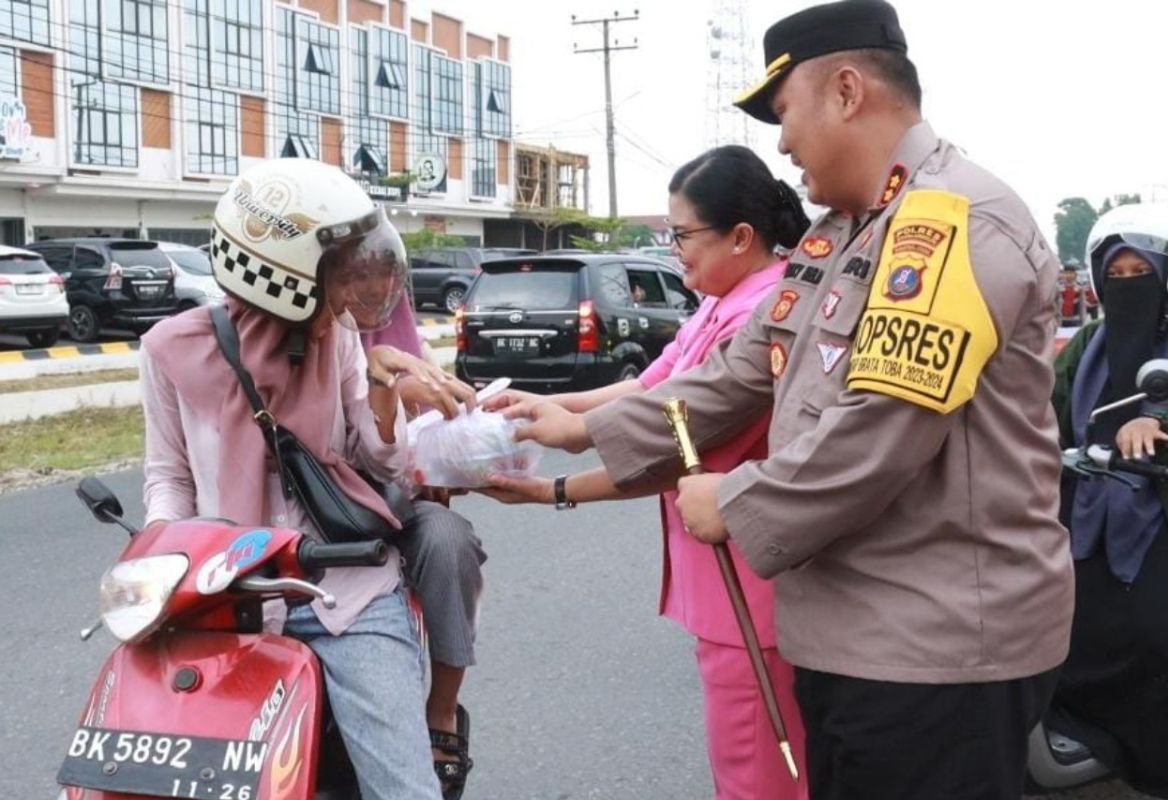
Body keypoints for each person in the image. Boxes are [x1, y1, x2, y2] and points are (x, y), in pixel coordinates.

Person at [499, 2, 1074, 798]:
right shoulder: (842, 234)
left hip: (936, 650)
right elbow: (742, 372)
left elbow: (882, 429)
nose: (782, 142)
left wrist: (735, 501)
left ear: (845, 91)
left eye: (784, 112)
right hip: (856, 635)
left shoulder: (945, 222)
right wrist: (583, 427)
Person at [139, 157, 477, 800]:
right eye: (339, 275)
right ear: (283, 275)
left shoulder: (341, 339)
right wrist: (164, 555)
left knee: (405, 788)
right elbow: (168, 478)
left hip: (342, 593)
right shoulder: (167, 349)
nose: (353, 292)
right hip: (223, 598)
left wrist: (383, 393)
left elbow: (378, 465)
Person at [484, 145, 810, 800]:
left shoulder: (759, 315)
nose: (672, 249)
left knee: (757, 772)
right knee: (749, 764)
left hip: (751, 585)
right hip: (731, 585)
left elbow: (678, 443)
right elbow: (649, 390)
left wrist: (552, 482)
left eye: (683, 234)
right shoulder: (723, 303)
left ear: (741, 237)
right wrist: (545, 405)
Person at [1050, 204, 1168, 798]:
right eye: (1118, 272)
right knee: (1056, 619)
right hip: (1085, 507)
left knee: (1161, 636)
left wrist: (1164, 428)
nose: (1128, 283)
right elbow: (1048, 417)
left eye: (1142, 271)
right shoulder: (1087, 343)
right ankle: (1083, 740)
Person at [360, 287, 487, 799]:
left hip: (388, 500)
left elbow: (398, 455)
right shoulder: (295, 339)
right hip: (296, 509)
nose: (366, 289)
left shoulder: (407, 342)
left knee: (448, 536)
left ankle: (441, 710)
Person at [1058, 260, 1088, 327]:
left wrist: (1083, 322)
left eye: (1071, 273)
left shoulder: (1079, 288)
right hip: (1061, 320)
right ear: (1063, 274)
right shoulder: (1059, 288)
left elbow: (1082, 306)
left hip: (1075, 320)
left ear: (1075, 275)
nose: (1068, 275)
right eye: (1066, 273)